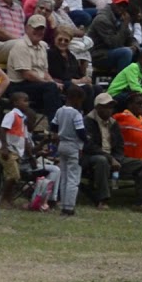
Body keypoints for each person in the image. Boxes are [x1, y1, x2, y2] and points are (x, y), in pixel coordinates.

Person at [82, 92, 142, 212]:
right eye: (106, 107)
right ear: (98, 108)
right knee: (102, 161)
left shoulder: (113, 123)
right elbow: (89, 146)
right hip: (92, 157)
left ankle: (141, 202)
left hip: (113, 157)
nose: (109, 110)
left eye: (111, 107)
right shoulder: (87, 121)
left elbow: (119, 145)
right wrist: (110, 158)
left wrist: (117, 158)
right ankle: (103, 200)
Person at [6, 14, 63, 119]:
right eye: (36, 28)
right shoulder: (21, 45)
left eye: (42, 29)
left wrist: (53, 82)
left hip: (36, 84)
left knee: (69, 88)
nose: (39, 32)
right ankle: (55, 127)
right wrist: (49, 83)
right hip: (19, 85)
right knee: (50, 88)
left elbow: (45, 72)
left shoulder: (42, 46)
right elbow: (27, 74)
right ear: (27, 28)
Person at [51, 87, 88, 216]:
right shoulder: (76, 114)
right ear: (75, 99)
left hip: (62, 144)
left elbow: (53, 126)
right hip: (74, 146)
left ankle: (63, 205)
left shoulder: (59, 111)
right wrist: (87, 139)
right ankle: (69, 207)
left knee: (64, 176)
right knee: (73, 177)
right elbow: (80, 131)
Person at [87, 0, 138, 74]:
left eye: (124, 6)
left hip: (112, 51)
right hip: (98, 54)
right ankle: (120, 83)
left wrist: (134, 46)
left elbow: (130, 37)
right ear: (113, 4)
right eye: (119, 5)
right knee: (126, 52)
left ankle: (137, 82)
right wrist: (124, 25)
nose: (121, 8)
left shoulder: (121, 17)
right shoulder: (102, 19)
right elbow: (113, 44)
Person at [47, 32, 93, 107]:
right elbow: (57, 74)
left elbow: (78, 73)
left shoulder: (71, 56)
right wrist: (77, 81)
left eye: (66, 40)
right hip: (59, 83)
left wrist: (85, 79)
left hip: (74, 82)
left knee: (96, 88)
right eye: (60, 39)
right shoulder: (50, 54)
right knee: (86, 88)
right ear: (55, 40)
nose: (63, 42)